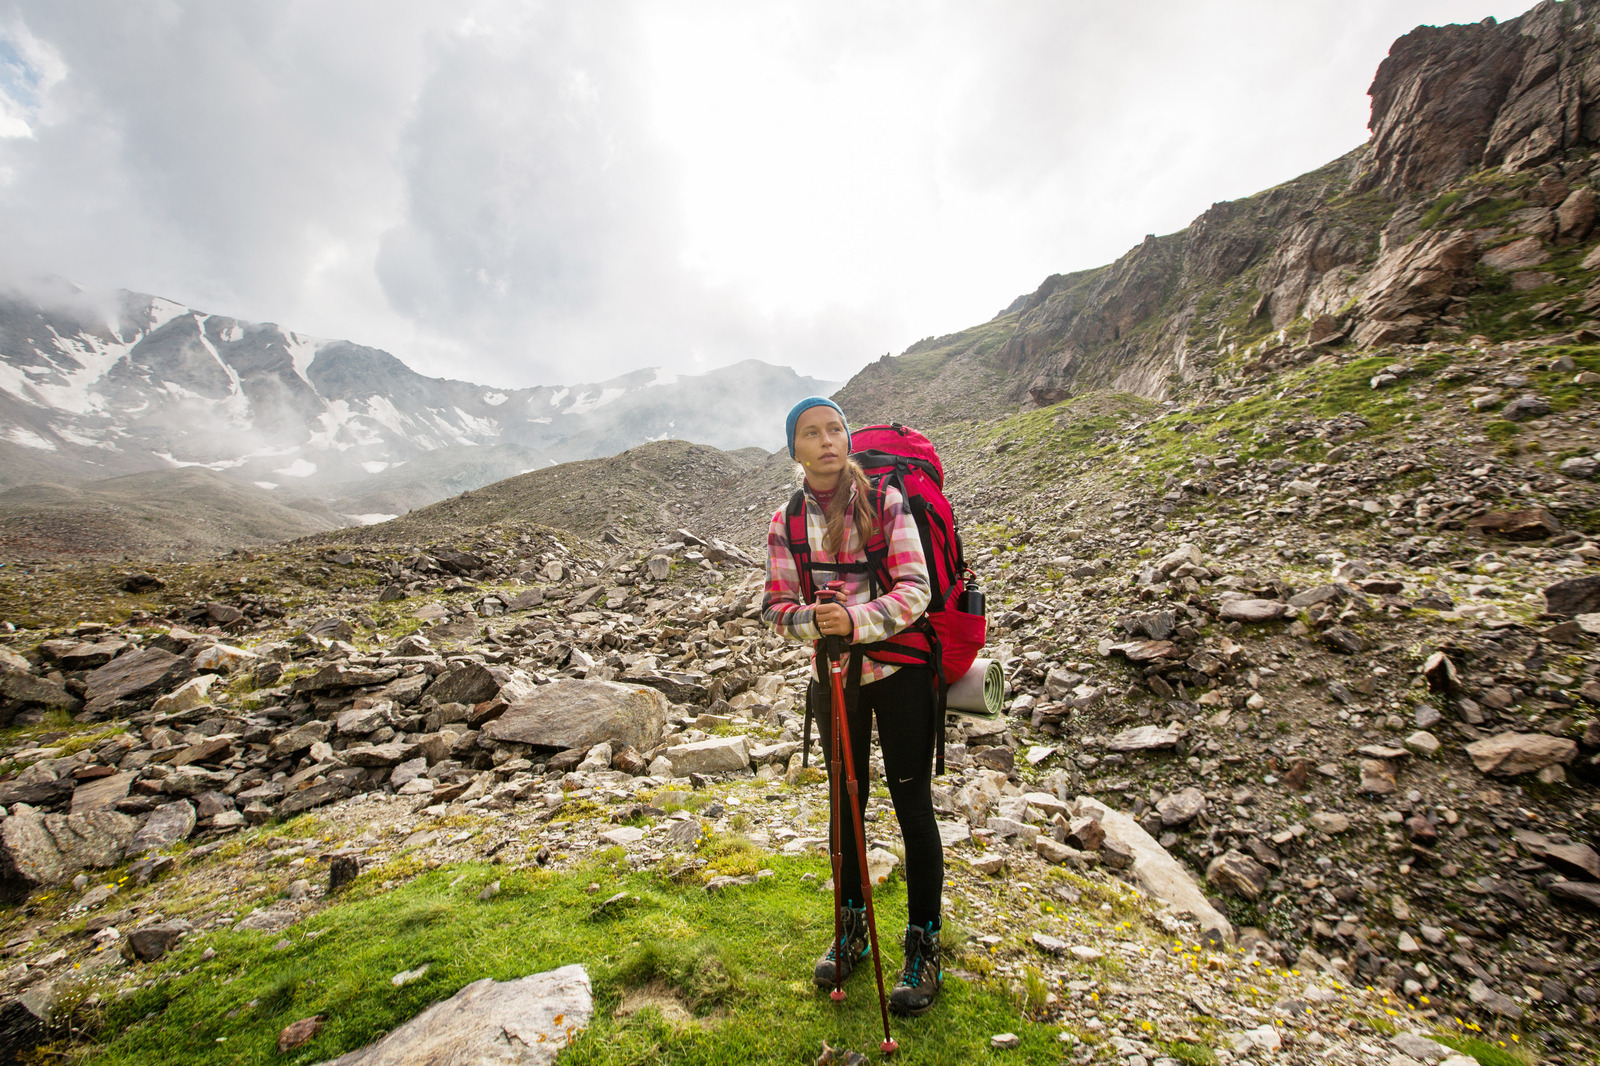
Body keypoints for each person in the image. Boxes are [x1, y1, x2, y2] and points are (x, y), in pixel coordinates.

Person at [761, 396, 944, 1017]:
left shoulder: (885, 501)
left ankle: (923, 947)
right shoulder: (786, 519)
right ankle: (853, 930)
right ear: (795, 450)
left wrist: (856, 618)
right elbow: (775, 607)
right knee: (846, 805)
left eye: (834, 428)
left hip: (900, 674)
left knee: (912, 805)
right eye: (811, 433)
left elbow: (918, 587)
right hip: (834, 677)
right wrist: (813, 619)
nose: (827, 440)